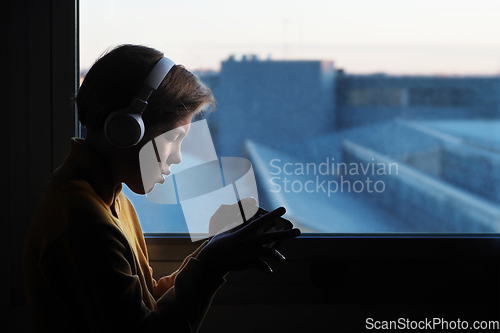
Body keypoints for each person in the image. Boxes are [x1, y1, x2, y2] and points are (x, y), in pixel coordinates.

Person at [22, 44, 301, 332]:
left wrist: (213, 250)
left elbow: (147, 304)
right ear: (126, 129)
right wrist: (211, 265)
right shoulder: (83, 222)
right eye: (174, 137)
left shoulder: (113, 202)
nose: (178, 156)